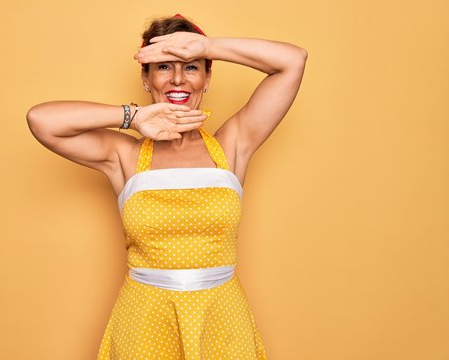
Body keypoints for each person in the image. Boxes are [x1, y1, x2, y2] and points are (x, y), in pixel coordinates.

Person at [26, 14, 307, 360]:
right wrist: (131, 117)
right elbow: (41, 121)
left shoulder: (233, 145)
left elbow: (293, 61)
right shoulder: (123, 156)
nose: (177, 79)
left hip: (221, 318)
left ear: (207, 78)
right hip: (145, 319)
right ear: (146, 79)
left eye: (191, 67)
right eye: (163, 67)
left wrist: (207, 46)